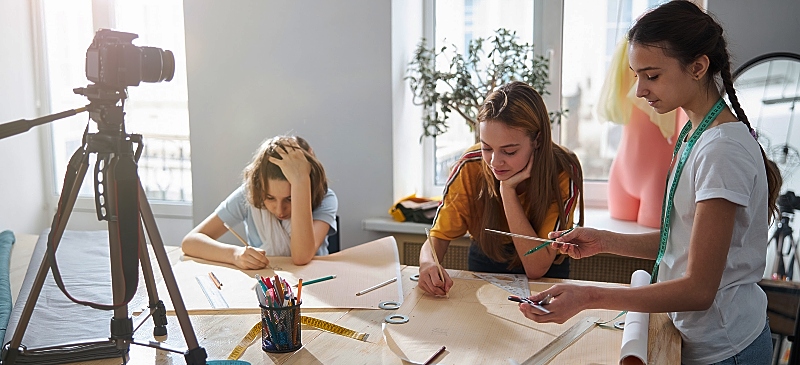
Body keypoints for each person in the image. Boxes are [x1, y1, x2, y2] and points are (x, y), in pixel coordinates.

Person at [520, 2, 782, 365]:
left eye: (652, 76)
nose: (640, 90)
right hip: (698, 339)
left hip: (725, 349)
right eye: (636, 76)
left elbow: (699, 290)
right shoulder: (694, 133)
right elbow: (684, 241)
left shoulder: (722, 150)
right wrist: (604, 241)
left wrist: (589, 298)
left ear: (698, 67)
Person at [417, 81, 584, 296]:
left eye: (509, 151)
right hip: (487, 257)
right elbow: (438, 237)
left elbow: (536, 267)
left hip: (546, 270)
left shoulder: (563, 170)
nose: (495, 162)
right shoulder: (470, 165)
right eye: (487, 148)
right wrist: (428, 263)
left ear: (538, 140)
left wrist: (507, 191)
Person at [182, 135, 338, 269]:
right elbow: (190, 242)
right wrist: (235, 254)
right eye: (270, 198)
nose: (280, 210)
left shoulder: (325, 198)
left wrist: (301, 180)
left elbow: (301, 257)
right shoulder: (250, 194)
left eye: (290, 198)